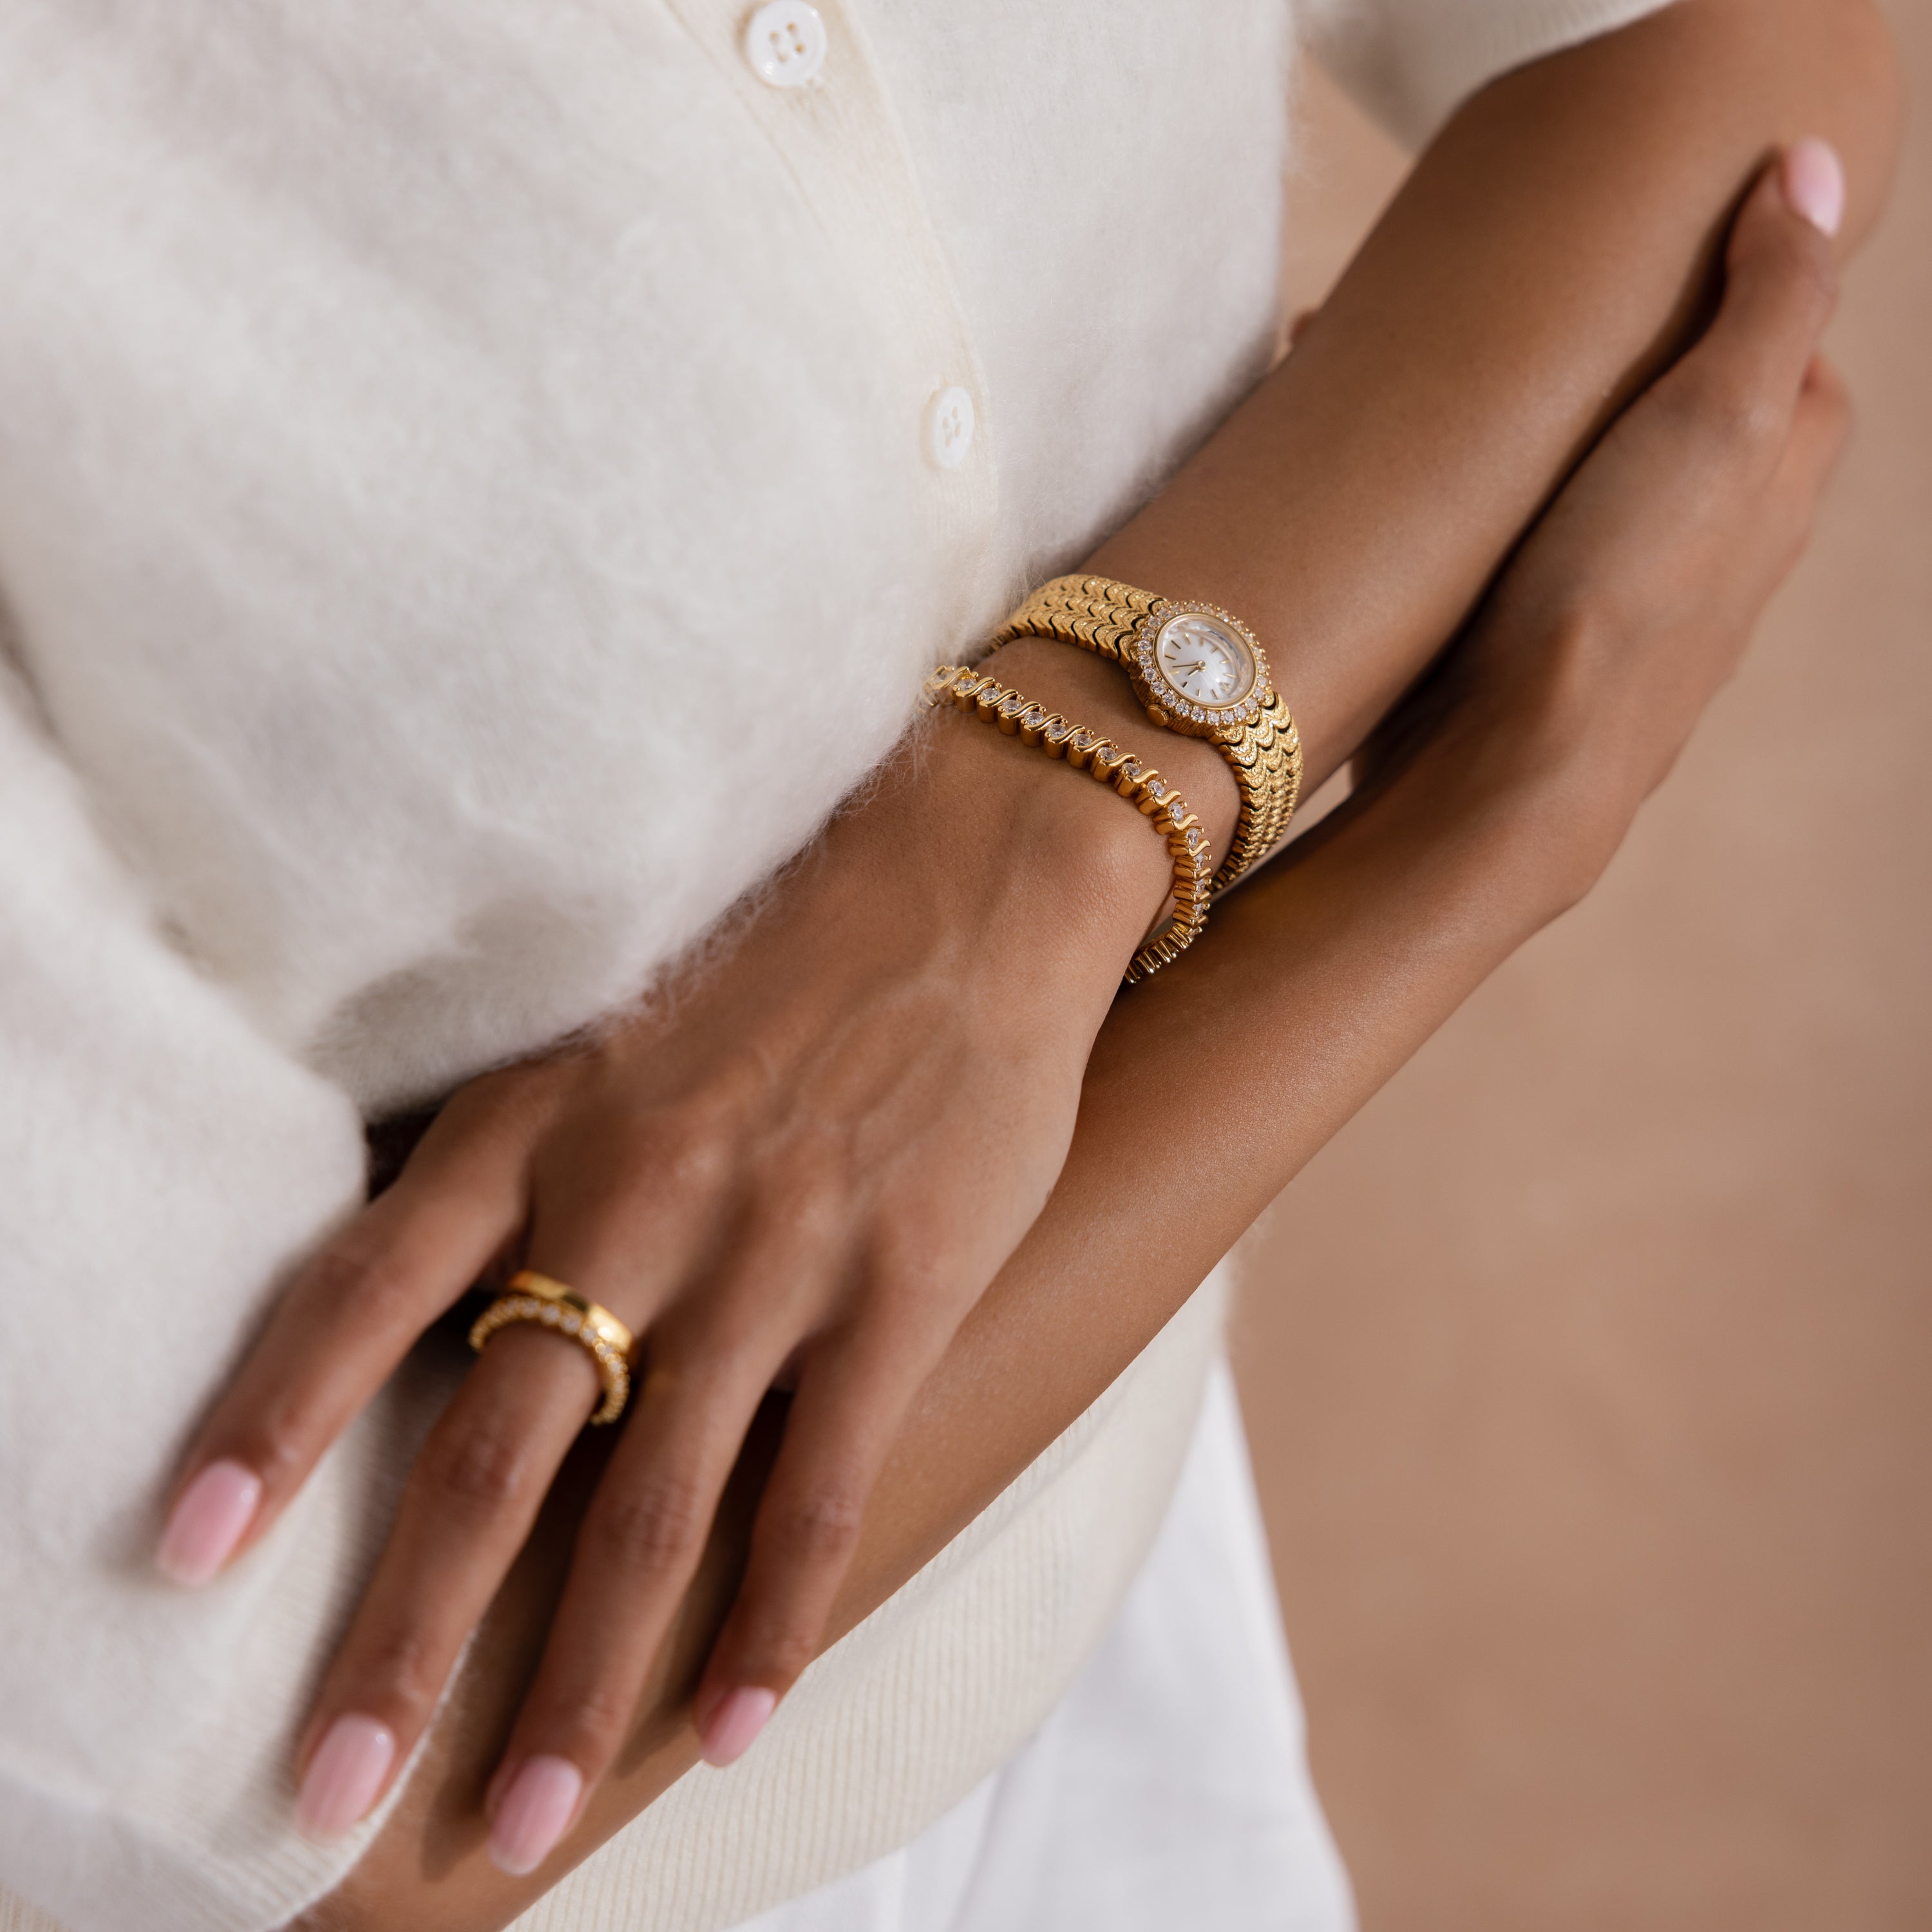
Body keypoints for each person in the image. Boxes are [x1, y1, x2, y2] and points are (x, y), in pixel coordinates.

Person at [0, 1, 1900, 1929]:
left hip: (1134, 1645)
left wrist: (1036, 840)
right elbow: (243, 1834)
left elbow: (1734, 50)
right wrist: (1458, 851)